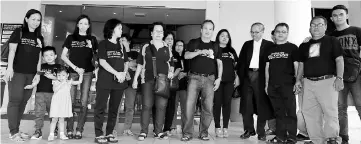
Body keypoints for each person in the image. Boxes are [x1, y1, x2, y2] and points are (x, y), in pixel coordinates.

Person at [295, 16, 344, 144]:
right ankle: (317, 140)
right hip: (308, 82)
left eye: (319, 24)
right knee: (309, 112)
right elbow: (301, 65)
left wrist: (340, 78)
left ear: (326, 27)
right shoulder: (304, 45)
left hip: (327, 81)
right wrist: (298, 80)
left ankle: (331, 138)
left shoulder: (332, 40)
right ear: (309, 28)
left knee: (330, 111)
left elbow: (339, 60)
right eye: (313, 24)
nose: (316, 27)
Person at [4, 9, 44, 142]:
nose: (36, 22)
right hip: (17, 72)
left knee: (23, 102)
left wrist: (38, 74)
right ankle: (13, 132)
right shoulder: (19, 32)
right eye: (33, 19)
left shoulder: (39, 37)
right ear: (26, 19)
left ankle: (16, 129)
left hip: (31, 74)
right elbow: (12, 50)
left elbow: (39, 57)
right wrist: (9, 68)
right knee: (15, 100)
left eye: (38, 20)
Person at [182, 19, 223, 141]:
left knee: (208, 107)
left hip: (210, 79)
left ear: (212, 31)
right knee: (189, 106)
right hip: (194, 77)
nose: (207, 31)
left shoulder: (216, 46)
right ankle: (187, 133)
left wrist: (219, 78)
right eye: (205, 28)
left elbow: (220, 64)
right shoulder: (194, 42)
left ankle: (203, 132)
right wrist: (200, 52)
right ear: (201, 30)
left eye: (210, 29)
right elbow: (186, 55)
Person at [132, 22, 174, 141]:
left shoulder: (167, 47)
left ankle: (158, 132)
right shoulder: (145, 47)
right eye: (156, 31)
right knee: (146, 106)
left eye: (160, 31)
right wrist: (135, 79)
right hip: (147, 80)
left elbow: (172, 63)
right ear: (151, 33)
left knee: (161, 106)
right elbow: (140, 64)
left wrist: (171, 71)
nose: (158, 34)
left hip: (162, 82)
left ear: (163, 34)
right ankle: (143, 131)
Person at [61, 14, 98, 139]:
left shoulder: (92, 39)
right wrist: (76, 68)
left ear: (89, 26)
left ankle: (79, 129)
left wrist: (91, 47)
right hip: (73, 72)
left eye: (86, 23)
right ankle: (69, 129)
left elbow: (97, 58)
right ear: (77, 24)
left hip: (87, 73)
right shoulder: (71, 38)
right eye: (81, 23)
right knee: (70, 101)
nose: (83, 26)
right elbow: (63, 56)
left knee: (83, 102)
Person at [237, 22, 274, 141]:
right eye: (252, 32)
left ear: (263, 31)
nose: (254, 34)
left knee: (261, 104)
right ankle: (249, 130)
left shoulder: (269, 45)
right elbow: (241, 62)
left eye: (256, 32)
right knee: (246, 105)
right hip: (247, 76)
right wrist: (239, 77)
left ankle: (261, 131)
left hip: (262, 77)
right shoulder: (247, 44)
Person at [94, 18, 129, 144]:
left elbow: (126, 61)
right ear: (112, 29)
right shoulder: (103, 43)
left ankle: (109, 133)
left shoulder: (121, 45)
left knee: (114, 109)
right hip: (105, 80)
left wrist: (123, 74)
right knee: (100, 107)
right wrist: (116, 73)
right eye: (119, 28)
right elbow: (102, 62)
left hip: (118, 81)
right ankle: (98, 134)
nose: (121, 30)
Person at [330, 5, 361, 144]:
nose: (338, 17)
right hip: (338, 75)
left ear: (346, 16)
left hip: (357, 74)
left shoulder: (356, 30)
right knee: (340, 108)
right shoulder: (330, 36)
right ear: (331, 18)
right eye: (335, 15)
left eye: (341, 14)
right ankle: (344, 138)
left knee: (360, 105)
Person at [265, 23, 299, 144]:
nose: (280, 34)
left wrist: (297, 81)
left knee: (290, 111)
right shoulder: (269, 49)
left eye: (283, 32)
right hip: (273, 86)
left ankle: (291, 137)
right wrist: (266, 84)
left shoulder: (293, 48)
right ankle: (280, 136)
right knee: (278, 112)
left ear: (287, 33)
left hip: (288, 84)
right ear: (274, 33)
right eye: (278, 31)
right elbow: (267, 68)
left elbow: (297, 66)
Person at [30, 46, 61, 140]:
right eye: (46, 55)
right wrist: (33, 95)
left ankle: (54, 129)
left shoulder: (59, 67)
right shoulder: (41, 67)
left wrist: (54, 77)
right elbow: (36, 79)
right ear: (43, 57)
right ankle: (38, 131)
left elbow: (64, 80)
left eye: (51, 55)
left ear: (55, 56)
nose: (49, 57)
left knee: (53, 114)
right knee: (39, 113)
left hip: (54, 94)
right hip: (40, 94)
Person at [44, 66, 83, 141]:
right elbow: (55, 90)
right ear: (56, 75)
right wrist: (63, 83)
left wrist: (80, 74)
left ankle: (62, 134)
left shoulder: (69, 82)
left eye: (63, 75)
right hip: (56, 103)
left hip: (64, 103)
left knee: (61, 119)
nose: (61, 77)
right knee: (54, 119)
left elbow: (79, 82)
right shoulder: (55, 82)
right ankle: (51, 134)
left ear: (67, 75)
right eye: (59, 75)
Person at [213, 29, 239, 138]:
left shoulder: (231, 50)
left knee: (227, 104)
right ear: (218, 37)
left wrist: (237, 77)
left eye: (227, 36)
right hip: (217, 81)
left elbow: (237, 66)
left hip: (229, 80)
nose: (224, 37)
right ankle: (217, 127)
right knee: (217, 103)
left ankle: (225, 128)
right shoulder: (214, 49)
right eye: (222, 35)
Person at [113, 33, 138, 137]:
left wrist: (128, 65)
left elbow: (137, 65)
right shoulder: (118, 53)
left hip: (131, 83)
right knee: (116, 106)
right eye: (120, 40)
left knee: (130, 107)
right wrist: (129, 65)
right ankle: (113, 129)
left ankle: (127, 129)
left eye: (123, 40)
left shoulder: (135, 54)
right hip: (118, 82)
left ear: (128, 42)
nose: (121, 42)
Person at [162, 31, 182, 136]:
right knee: (160, 105)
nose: (170, 41)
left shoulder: (175, 54)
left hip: (172, 84)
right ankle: (158, 127)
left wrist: (173, 75)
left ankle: (167, 128)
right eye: (168, 38)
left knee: (171, 107)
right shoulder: (160, 51)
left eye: (171, 39)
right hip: (161, 83)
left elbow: (178, 67)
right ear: (163, 40)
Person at [170, 40, 188, 133]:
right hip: (174, 85)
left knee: (185, 107)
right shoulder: (172, 56)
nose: (178, 47)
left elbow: (191, 70)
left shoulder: (187, 57)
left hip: (185, 86)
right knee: (173, 106)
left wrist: (185, 74)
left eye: (181, 45)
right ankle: (172, 126)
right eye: (177, 45)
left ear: (184, 47)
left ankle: (185, 127)